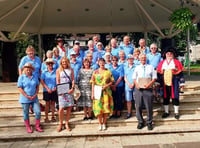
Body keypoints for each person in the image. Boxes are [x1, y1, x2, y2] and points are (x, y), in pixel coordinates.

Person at [157, 47, 185, 120]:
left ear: (173, 55)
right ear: (165, 55)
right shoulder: (162, 63)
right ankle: (166, 112)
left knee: (175, 97)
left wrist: (182, 83)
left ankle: (176, 112)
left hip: (174, 83)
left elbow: (181, 74)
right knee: (165, 97)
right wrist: (157, 82)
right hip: (164, 83)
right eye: (168, 53)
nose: (169, 54)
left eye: (170, 53)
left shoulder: (177, 62)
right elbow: (159, 74)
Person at [132, 53, 157, 130]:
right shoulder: (137, 68)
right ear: (139, 59)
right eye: (141, 58)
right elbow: (134, 78)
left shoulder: (151, 67)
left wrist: (149, 85)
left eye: (144, 57)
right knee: (138, 106)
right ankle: (140, 122)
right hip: (139, 89)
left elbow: (154, 78)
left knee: (149, 106)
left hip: (148, 88)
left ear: (146, 59)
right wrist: (136, 85)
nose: (143, 59)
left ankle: (149, 122)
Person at [17, 63, 43, 133]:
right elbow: (20, 87)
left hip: (34, 98)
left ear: (32, 69)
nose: (28, 70)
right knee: (26, 113)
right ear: (24, 69)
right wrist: (26, 95)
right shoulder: (21, 77)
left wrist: (36, 94)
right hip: (25, 98)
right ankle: (28, 127)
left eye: (29, 68)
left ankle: (37, 126)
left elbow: (37, 86)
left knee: (38, 112)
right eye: (27, 68)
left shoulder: (34, 76)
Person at [90, 58, 114, 131]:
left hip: (106, 92)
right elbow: (93, 83)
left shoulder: (108, 72)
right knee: (99, 108)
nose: (102, 64)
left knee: (105, 108)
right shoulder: (95, 72)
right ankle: (100, 123)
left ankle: (104, 123)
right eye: (100, 62)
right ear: (98, 63)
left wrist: (106, 86)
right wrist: (92, 93)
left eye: (103, 62)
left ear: (105, 63)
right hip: (97, 91)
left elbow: (112, 81)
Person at [56, 57, 75, 132]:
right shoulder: (58, 70)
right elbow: (57, 81)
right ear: (61, 63)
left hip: (69, 88)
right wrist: (60, 90)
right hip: (62, 89)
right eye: (63, 62)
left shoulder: (71, 70)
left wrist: (72, 88)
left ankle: (67, 122)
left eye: (65, 62)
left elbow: (73, 79)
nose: (64, 63)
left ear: (67, 62)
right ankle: (61, 123)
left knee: (69, 107)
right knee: (61, 108)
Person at [40, 58, 57, 123]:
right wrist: (47, 88)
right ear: (46, 65)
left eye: (51, 64)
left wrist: (55, 87)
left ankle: (53, 116)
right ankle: (46, 117)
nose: (50, 65)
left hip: (54, 89)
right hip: (46, 90)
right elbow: (42, 81)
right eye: (48, 64)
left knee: (53, 103)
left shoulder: (56, 71)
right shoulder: (44, 72)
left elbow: (57, 80)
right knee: (47, 103)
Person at [124, 54, 135, 119]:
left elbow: (137, 76)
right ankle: (129, 113)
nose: (130, 60)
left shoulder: (136, 66)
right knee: (128, 100)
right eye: (129, 59)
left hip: (135, 85)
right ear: (127, 60)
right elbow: (125, 77)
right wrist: (129, 84)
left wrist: (133, 84)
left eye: (131, 59)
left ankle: (138, 113)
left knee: (136, 100)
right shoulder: (125, 67)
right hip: (127, 86)